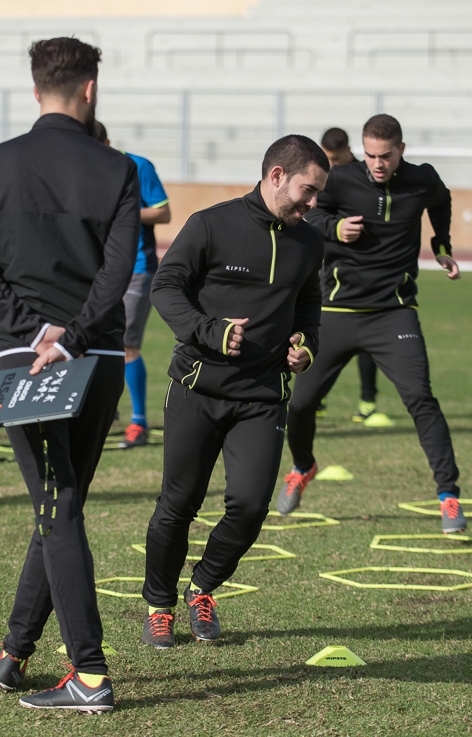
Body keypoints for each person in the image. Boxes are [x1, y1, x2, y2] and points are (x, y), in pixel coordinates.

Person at [0, 37, 139, 712]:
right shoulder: (118, 169)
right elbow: (119, 273)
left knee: (56, 507)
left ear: (36, 90)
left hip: (25, 363)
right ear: (90, 89)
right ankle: (15, 650)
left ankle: (89, 674)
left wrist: (36, 334)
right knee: (59, 506)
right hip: (96, 360)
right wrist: (73, 336)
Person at [140, 135, 328, 649]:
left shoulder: (310, 241)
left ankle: (201, 588)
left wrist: (306, 344)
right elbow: (165, 288)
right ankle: (159, 605)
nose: (313, 203)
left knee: (249, 505)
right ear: (276, 177)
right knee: (178, 504)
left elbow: (309, 303)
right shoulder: (210, 224)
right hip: (197, 388)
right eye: (307, 191)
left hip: (263, 394)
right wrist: (208, 329)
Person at [277, 114, 466, 535]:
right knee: (301, 404)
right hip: (337, 312)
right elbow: (308, 214)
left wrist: (442, 245)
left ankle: (448, 496)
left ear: (401, 150)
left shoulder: (422, 179)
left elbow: (442, 201)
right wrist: (335, 226)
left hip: (394, 312)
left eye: (385, 155)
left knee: (421, 400)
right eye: (371, 154)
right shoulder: (340, 179)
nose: (377, 163)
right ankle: (303, 467)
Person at [91, 121, 172, 449]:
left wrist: (123, 211)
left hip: (136, 269)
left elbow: (163, 213)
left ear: (107, 142)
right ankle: (101, 410)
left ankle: (139, 422)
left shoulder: (138, 166)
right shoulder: (84, 168)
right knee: (88, 339)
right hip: (96, 270)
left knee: (127, 346)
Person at [319, 127, 379, 423]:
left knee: (367, 336)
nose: (331, 164)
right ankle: (318, 398)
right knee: (318, 331)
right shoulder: (317, 174)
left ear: (347, 152)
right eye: (327, 158)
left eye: (336, 158)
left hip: (356, 267)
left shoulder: (363, 174)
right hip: (321, 265)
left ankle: (367, 401)